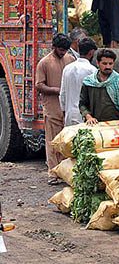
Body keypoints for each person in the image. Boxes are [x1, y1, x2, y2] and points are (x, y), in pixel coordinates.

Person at [35, 33, 76, 183]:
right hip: (52, 107)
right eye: (60, 49)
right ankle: (53, 173)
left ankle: (65, 172)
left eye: (65, 50)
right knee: (52, 141)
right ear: (53, 47)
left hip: (68, 108)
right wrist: (57, 90)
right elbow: (39, 85)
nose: (63, 52)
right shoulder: (44, 63)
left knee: (66, 141)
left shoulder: (70, 60)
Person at [80, 48, 119, 127]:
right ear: (97, 63)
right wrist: (88, 117)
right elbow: (82, 104)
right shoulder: (89, 82)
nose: (108, 67)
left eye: (110, 63)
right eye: (104, 63)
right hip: (97, 125)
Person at [59, 37, 97, 128]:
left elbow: (62, 94)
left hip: (69, 115)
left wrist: (64, 112)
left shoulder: (67, 68)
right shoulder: (92, 71)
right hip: (86, 117)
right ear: (91, 52)